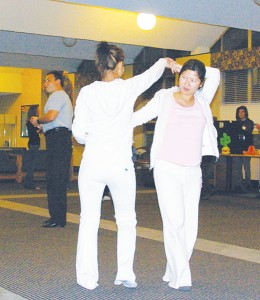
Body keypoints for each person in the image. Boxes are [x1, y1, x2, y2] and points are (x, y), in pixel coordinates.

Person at [72, 41, 173, 290]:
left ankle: (87, 279)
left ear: (98, 65)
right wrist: (164, 62)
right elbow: (150, 75)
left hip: (92, 164)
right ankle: (126, 273)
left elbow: (78, 133)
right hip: (120, 166)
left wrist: (92, 136)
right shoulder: (128, 88)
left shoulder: (86, 92)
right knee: (127, 220)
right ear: (118, 66)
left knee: (88, 221)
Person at [133, 59, 220, 291]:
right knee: (174, 222)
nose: (187, 83)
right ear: (177, 77)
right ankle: (181, 275)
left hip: (193, 170)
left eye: (193, 79)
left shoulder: (202, 99)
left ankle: (174, 267)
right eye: (184, 77)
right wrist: (111, 125)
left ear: (201, 84)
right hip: (166, 168)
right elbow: (138, 117)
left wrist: (182, 65)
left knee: (190, 225)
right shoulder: (164, 98)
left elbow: (216, 73)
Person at [31, 71, 73, 228]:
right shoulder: (59, 97)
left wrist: (39, 120)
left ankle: (58, 218)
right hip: (57, 139)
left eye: (47, 80)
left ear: (58, 81)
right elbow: (52, 120)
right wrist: (42, 126)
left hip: (58, 140)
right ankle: (56, 216)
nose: (45, 83)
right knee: (55, 178)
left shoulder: (58, 95)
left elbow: (51, 116)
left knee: (56, 179)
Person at [232, 106, 254, 193]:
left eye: (242, 112)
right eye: (239, 112)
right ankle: (239, 184)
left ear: (245, 113)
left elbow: (248, 132)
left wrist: (240, 129)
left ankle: (248, 184)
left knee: (246, 167)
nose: (241, 113)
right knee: (238, 168)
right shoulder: (235, 123)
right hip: (237, 148)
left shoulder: (250, 122)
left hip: (247, 149)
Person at [23, 105, 41, 190]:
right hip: (34, 143)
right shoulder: (32, 121)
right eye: (38, 109)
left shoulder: (28, 121)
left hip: (32, 143)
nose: (39, 110)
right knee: (32, 165)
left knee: (31, 164)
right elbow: (35, 132)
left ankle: (28, 182)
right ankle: (30, 183)